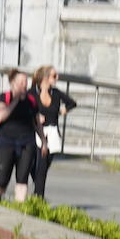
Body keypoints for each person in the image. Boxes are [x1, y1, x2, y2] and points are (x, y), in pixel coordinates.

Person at [0, 68, 47, 202]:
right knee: (2, 180)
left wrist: (43, 141)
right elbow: (1, 117)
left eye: (25, 82)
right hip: (6, 142)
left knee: (22, 179)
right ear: (12, 83)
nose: (24, 85)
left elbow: (37, 122)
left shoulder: (32, 101)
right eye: (20, 82)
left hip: (27, 143)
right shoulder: (4, 98)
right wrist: (16, 101)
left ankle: (20, 210)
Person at [30, 65, 77, 199]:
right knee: (40, 166)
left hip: (53, 132)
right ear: (45, 78)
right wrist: (35, 115)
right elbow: (25, 106)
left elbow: (72, 103)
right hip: (38, 132)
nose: (57, 78)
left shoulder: (55, 93)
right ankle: (39, 197)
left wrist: (64, 110)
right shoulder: (32, 93)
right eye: (54, 76)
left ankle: (38, 192)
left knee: (44, 167)